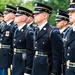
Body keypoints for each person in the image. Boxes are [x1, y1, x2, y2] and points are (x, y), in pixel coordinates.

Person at [31, 2, 63, 75]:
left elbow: (57, 56)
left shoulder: (52, 32)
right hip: (36, 66)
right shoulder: (36, 30)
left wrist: (54, 72)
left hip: (46, 68)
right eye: (34, 14)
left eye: (37, 14)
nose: (34, 16)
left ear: (45, 15)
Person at [12, 6, 34, 75]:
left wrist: (28, 70)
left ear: (23, 18)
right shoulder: (16, 30)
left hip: (23, 63)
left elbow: (30, 52)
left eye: (17, 16)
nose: (15, 17)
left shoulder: (28, 32)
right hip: (16, 62)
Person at [0, 5, 16, 75]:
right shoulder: (5, 26)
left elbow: (13, 44)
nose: (4, 15)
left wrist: (12, 61)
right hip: (2, 55)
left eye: (6, 13)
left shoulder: (13, 26)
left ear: (12, 16)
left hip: (8, 57)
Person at [64, 0, 75, 75]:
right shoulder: (68, 32)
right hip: (68, 70)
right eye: (69, 12)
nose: (69, 14)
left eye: (73, 12)